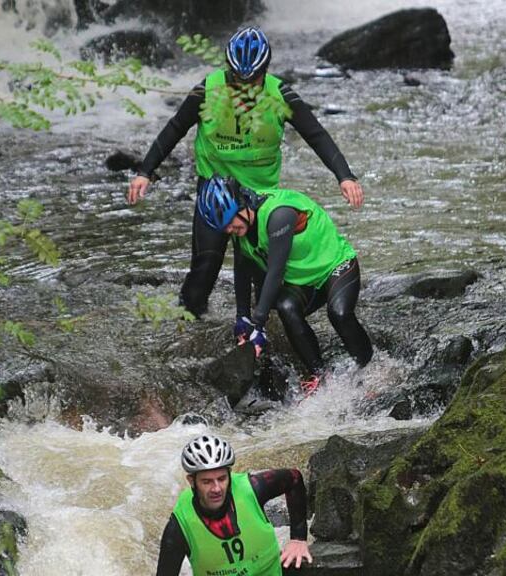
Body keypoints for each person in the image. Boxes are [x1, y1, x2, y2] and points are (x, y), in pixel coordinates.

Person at [127, 26, 365, 318]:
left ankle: (259, 333)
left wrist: (345, 175)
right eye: (238, 79)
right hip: (215, 193)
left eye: (252, 80)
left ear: (264, 71)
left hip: (260, 198)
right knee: (205, 266)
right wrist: (145, 171)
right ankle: (189, 324)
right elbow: (176, 127)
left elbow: (316, 135)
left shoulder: (280, 96)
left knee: (262, 279)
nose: (244, 87)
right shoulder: (208, 89)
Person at [197, 175, 373, 394]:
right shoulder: (240, 227)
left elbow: (275, 270)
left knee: (338, 313)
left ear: (243, 205)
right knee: (286, 306)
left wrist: (258, 324)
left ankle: (368, 370)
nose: (229, 230)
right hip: (303, 280)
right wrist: (242, 317)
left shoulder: (279, 214)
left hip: (335, 266)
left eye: (230, 222)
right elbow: (242, 271)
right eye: (223, 228)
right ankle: (319, 375)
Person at [156, 434, 312, 575]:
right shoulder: (179, 525)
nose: (216, 488)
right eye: (207, 481)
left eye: (222, 479)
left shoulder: (253, 487)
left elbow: (294, 478)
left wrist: (298, 538)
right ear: (192, 482)